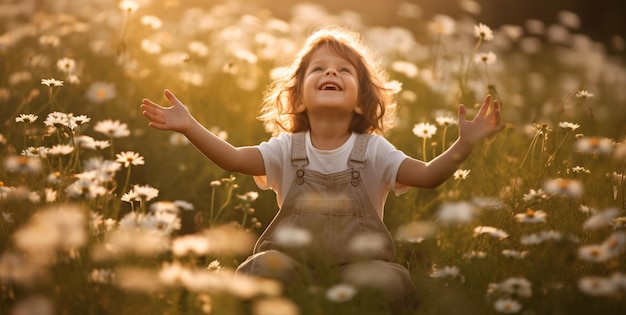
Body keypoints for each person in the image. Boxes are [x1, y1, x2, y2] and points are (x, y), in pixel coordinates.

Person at [141, 26, 504, 311]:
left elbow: (427, 176)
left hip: (360, 269)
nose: (331, 70)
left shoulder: (374, 151)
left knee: (383, 281)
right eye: (319, 68)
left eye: (344, 70)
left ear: (362, 102)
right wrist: (190, 126)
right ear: (298, 96)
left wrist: (465, 143)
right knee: (262, 266)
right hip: (294, 270)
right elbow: (234, 158)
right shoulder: (286, 149)